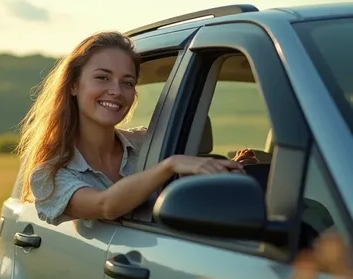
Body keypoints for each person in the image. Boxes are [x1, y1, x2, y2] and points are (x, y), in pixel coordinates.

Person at [17, 31, 253, 226]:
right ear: (74, 85)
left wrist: (231, 171)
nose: (116, 91)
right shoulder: (49, 174)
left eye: (127, 82)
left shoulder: (153, 143)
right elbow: (105, 205)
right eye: (103, 78)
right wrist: (169, 165)